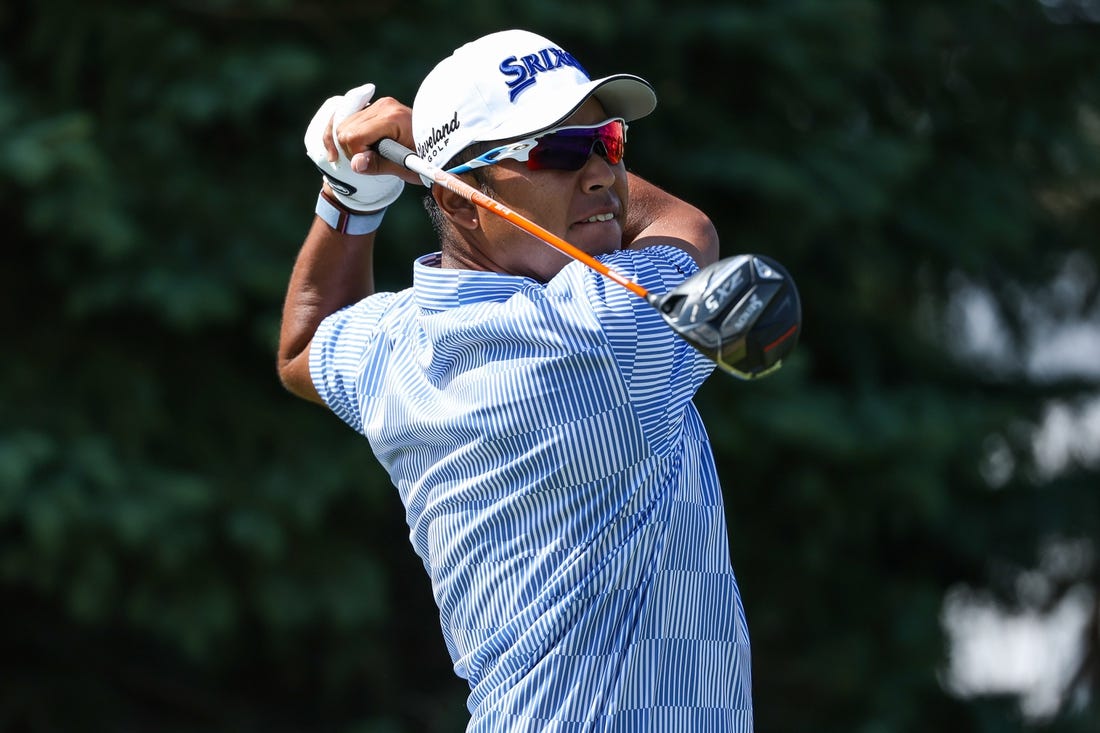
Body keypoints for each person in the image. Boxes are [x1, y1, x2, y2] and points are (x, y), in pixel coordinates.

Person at [278, 29, 753, 732]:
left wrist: (349, 200)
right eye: (558, 151)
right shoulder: (600, 336)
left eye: (609, 142)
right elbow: (687, 227)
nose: (601, 175)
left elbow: (306, 340)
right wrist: (424, 162)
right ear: (466, 201)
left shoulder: (397, 345)